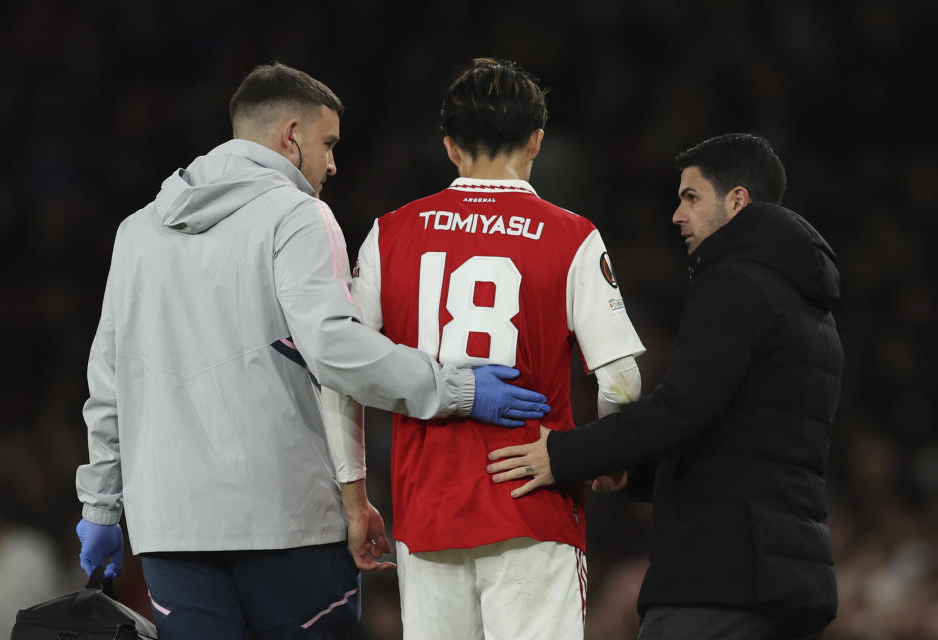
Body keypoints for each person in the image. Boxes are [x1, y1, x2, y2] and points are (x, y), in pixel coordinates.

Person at [73, 62, 551, 640]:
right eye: (328, 144)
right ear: (290, 135)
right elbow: (336, 350)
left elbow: (108, 380)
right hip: (287, 521)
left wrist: (99, 509)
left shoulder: (137, 231)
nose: (331, 164)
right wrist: (460, 389)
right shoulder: (296, 213)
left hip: (171, 529)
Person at [320, 58, 646, 640]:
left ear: (450, 147)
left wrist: (354, 499)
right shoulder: (571, 234)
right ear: (537, 141)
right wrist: (606, 456)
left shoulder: (391, 232)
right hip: (533, 505)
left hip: (427, 514)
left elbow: (342, 372)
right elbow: (620, 377)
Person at [488, 133, 844, 639]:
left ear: (737, 200)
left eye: (691, 197)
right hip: (792, 582)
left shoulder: (734, 282)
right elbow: (742, 437)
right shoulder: (812, 305)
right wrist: (633, 470)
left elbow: (681, 409)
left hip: (719, 579)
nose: (678, 215)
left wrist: (567, 453)